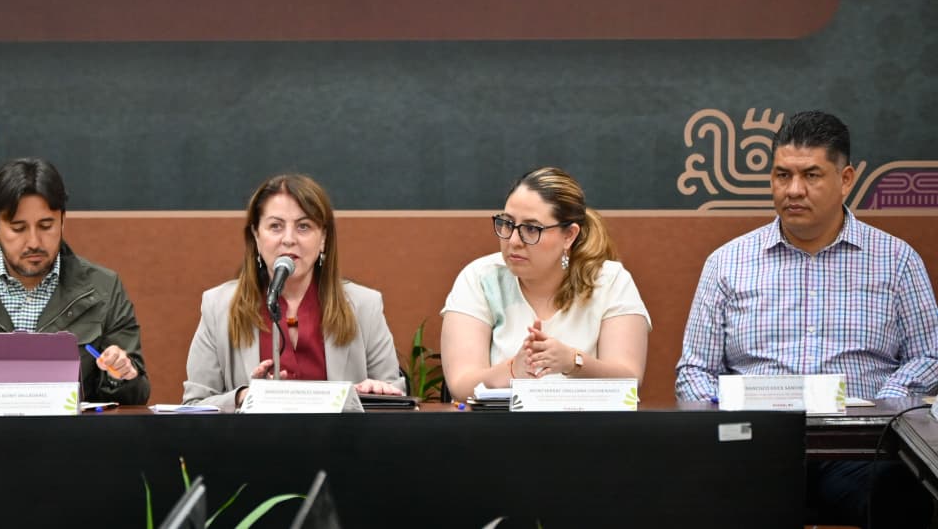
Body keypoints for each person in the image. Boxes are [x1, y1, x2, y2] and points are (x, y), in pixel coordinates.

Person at [676, 110, 937, 527]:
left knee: (904, 494)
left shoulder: (896, 261)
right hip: (756, 447)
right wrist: (727, 418)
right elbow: (694, 370)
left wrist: (882, 404)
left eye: (811, 175)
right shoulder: (727, 264)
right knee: (693, 488)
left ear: (845, 179)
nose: (794, 190)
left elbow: (929, 355)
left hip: (861, 452)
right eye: (782, 175)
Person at [0, 157, 150, 404]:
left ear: (62, 221)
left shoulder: (103, 289)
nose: (34, 242)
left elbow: (137, 394)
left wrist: (119, 376)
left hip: (67, 429)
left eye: (46, 226)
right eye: (18, 228)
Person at [182, 173, 406, 412]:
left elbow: (398, 403)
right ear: (256, 236)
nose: (289, 239)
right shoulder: (218, 306)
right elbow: (194, 406)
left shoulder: (364, 305)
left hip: (340, 437)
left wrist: (377, 394)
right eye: (275, 226)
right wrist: (244, 396)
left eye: (303, 226)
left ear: (323, 238)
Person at [440, 167, 650, 401]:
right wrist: (513, 370)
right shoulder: (480, 278)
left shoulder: (610, 281)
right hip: (500, 423)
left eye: (531, 229)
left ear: (569, 235)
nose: (514, 240)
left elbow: (630, 381)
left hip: (587, 423)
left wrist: (572, 362)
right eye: (507, 224)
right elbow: (460, 384)